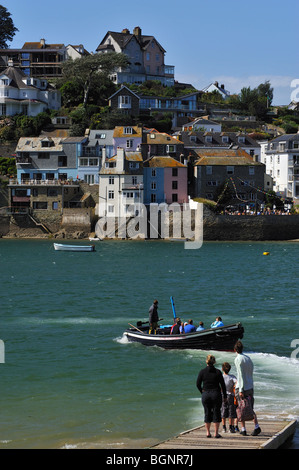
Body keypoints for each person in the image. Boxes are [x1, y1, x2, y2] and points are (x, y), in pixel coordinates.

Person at [234, 340, 261, 436]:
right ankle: (256, 426)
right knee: (250, 408)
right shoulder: (248, 358)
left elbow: (240, 375)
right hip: (250, 386)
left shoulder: (238, 359)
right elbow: (250, 372)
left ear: (235, 350)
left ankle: (243, 429)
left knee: (241, 407)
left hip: (242, 387)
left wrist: (240, 389)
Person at [196, 355, 227, 438]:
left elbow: (198, 384)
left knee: (207, 412)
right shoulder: (218, 372)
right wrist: (225, 396)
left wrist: (202, 392)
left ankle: (208, 432)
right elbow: (223, 385)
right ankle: (216, 433)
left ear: (206, 361)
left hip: (206, 394)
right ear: (214, 362)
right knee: (217, 412)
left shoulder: (202, 371)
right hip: (216, 394)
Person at [221, 362, 238, 433]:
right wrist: (233, 387)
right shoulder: (232, 377)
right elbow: (237, 382)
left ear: (222, 369)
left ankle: (224, 427)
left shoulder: (221, 376)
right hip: (230, 395)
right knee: (231, 411)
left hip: (222, 395)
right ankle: (231, 427)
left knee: (223, 410)